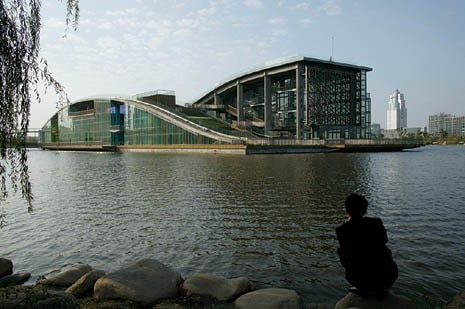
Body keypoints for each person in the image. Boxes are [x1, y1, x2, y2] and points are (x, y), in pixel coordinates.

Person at [336, 193, 398, 299]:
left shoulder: (342, 230)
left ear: (347, 210)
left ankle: (362, 288)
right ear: (365, 210)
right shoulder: (376, 223)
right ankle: (379, 288)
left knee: (342, 252)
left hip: (360, 279)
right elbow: (384, 240)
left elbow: (346, 253)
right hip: (388, 275)